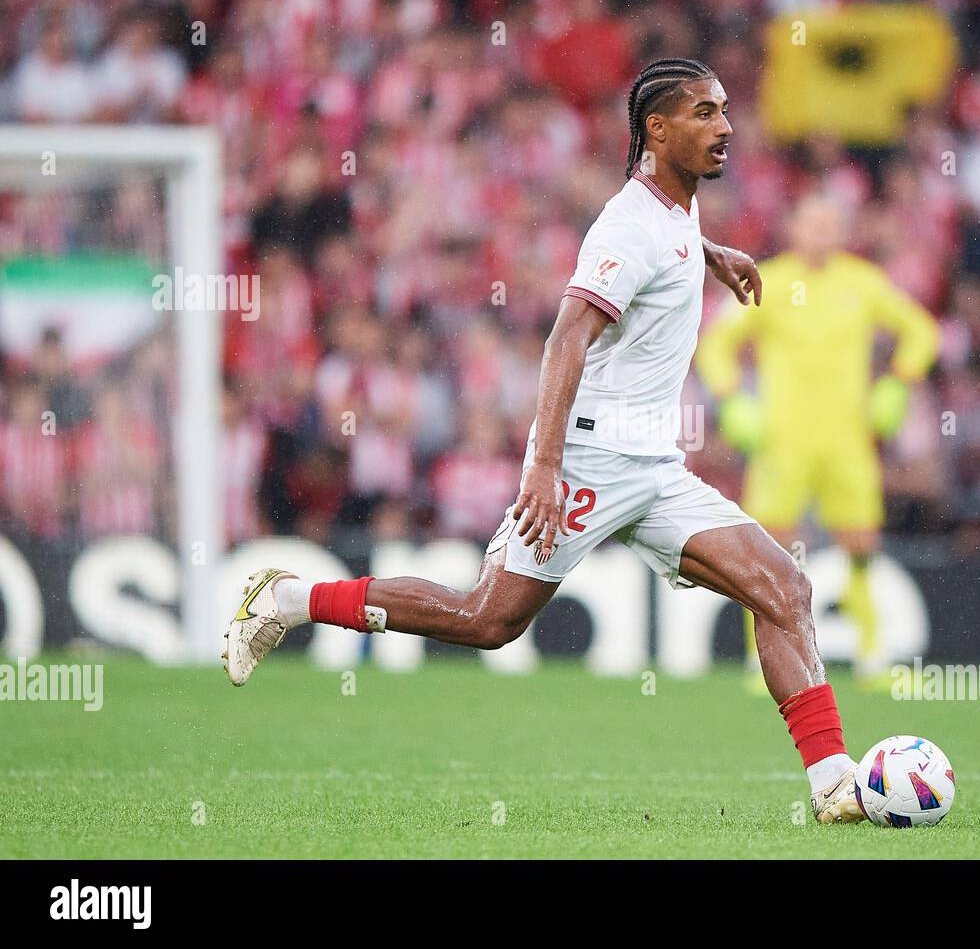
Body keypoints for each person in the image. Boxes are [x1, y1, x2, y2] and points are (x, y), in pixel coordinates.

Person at [225, 59, 866, 824]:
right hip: (589, 457)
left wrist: (708, 254)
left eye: (725, 110)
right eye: (704, 113)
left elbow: (666, 248)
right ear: (657, 131)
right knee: (487, 619)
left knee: (783, 588)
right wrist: (546, 466)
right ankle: (291, 599)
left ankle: (833, 785)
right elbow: (565, 340)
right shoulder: (628, 226)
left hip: (655, 467)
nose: (726, 127)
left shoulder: (675, 214)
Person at [696, 194, 939, 690]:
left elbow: (921, 331)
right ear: (794, 228)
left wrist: (897, 383)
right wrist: (733, 401)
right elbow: (716, 343)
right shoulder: (770, 280)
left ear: (842, 231)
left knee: (861, 543)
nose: (821, 233)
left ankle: (874, 659)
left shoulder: (863, 283)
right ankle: (758, 661)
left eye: (830, 223)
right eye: (812, 222)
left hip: (848, 440)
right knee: (766, 547)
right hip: (782, 442)